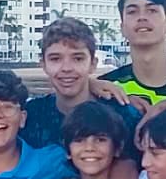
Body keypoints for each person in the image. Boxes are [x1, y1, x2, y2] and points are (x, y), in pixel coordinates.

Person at [21, 17, 141, 151]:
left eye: (78, 58)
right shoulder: (32, 115)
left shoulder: (123, 115)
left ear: (93, 64)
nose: (66, 68)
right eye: (55, 59)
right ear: (43, 65)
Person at [104, 0, 166, 104]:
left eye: (152, 10)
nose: (142, 17)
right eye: (132, 12)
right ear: (122, 28)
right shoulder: (108, 90)